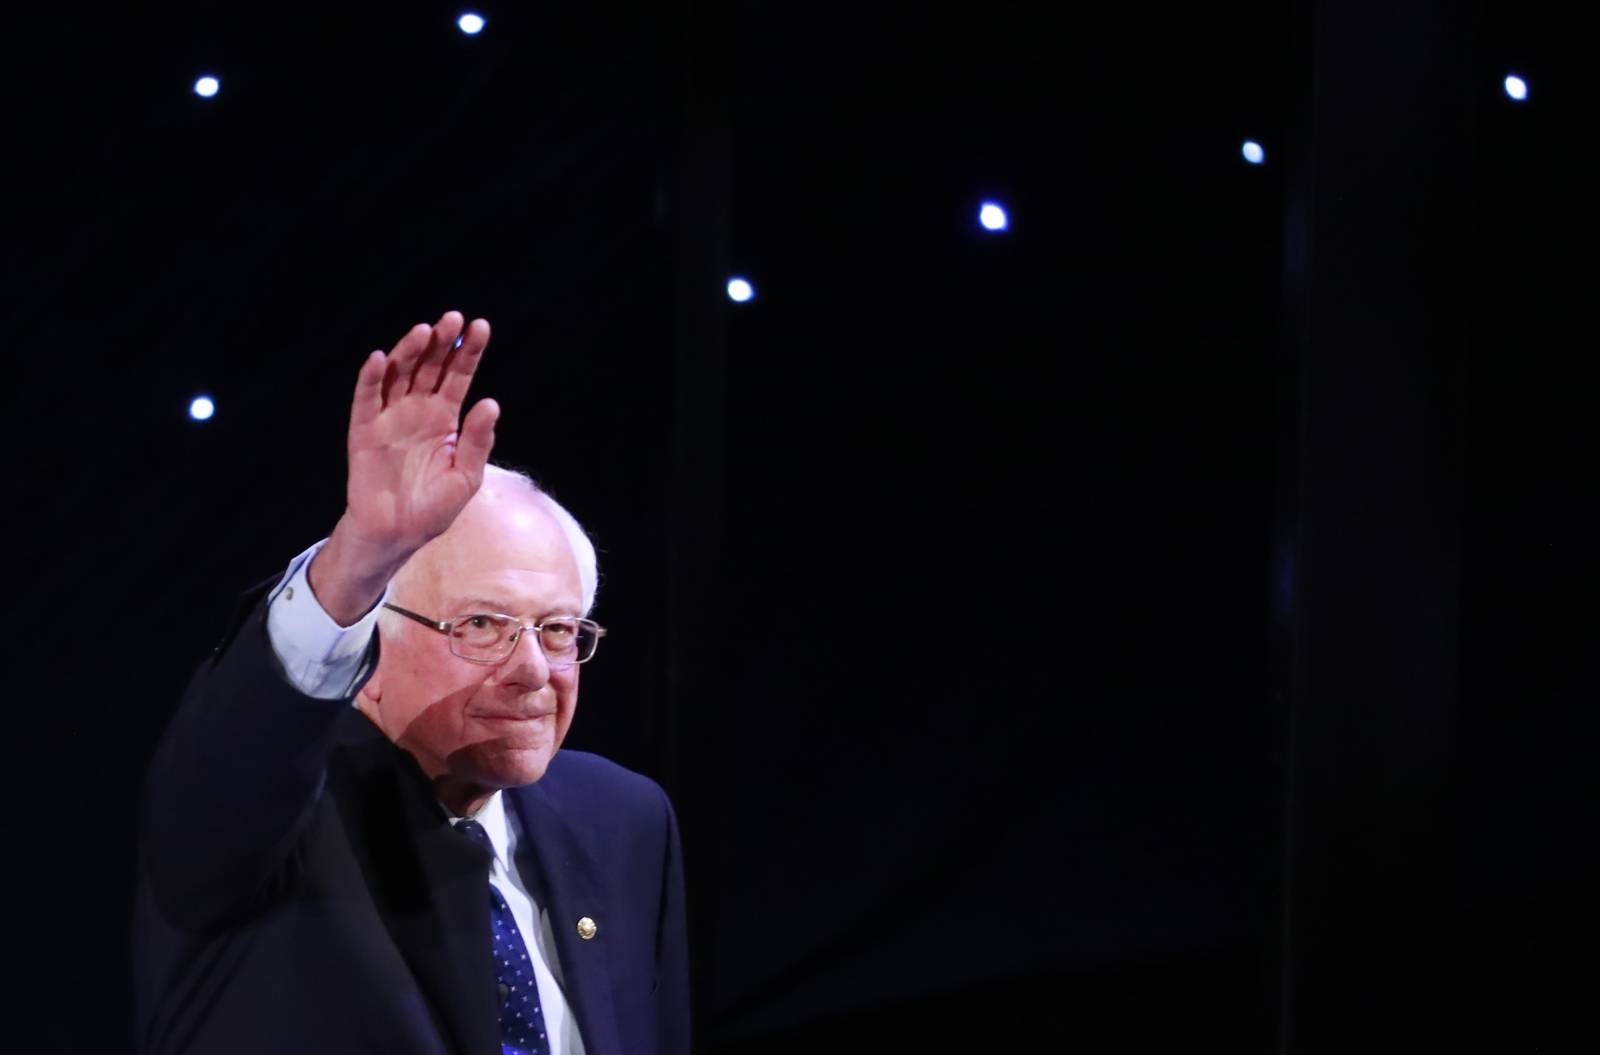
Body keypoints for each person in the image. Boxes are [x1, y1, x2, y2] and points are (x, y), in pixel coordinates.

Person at [133, 311, 689, 1055]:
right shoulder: (271, 825)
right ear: (369, 649)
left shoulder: (622, 818)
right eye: (483, 625)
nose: (533, 671)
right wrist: (363, 554)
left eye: (558, 629)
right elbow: (240, 749)